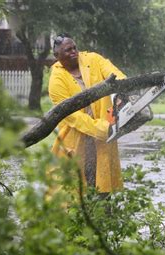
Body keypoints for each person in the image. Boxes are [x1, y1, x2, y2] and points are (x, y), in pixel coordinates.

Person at [49, 34, 126, 193]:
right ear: (57, 56)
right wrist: (102, 129)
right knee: (80, 187)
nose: (74, 52)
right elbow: (73, 117)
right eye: (68, 50)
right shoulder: (56, 81)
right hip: (78, 136)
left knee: (104, 184)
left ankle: (106, 214)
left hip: (104, 131)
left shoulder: (93, 59)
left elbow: (114, 73)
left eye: (74, 48)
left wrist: (124, 90)